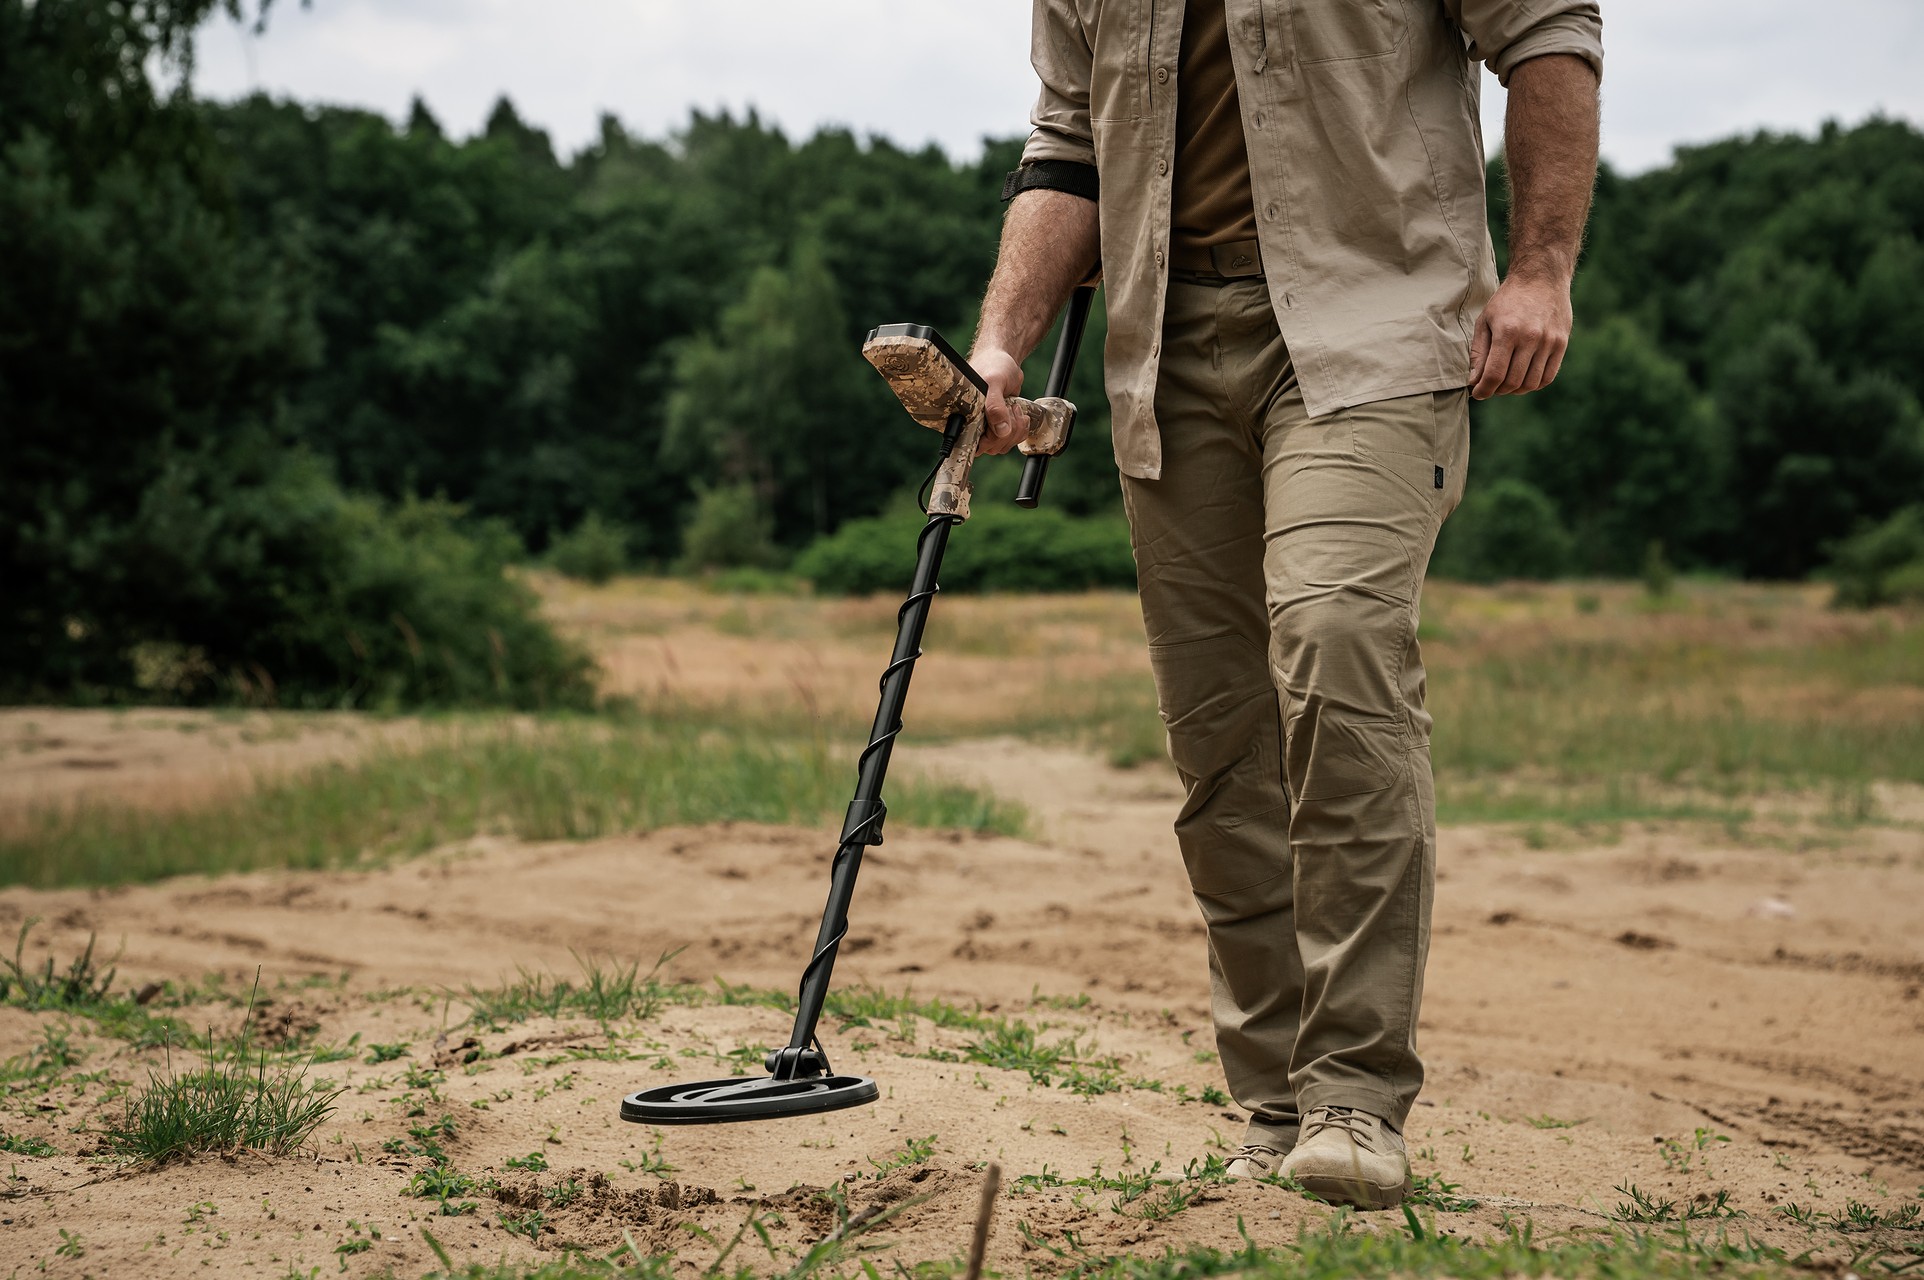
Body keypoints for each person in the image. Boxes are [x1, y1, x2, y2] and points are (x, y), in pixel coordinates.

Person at [967, 0, 1602, 1210]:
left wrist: (1540, 267)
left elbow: (1550, 35)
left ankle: (1356, 1093)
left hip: (1374, 326)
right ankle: (1273, 1097)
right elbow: (1066, 140)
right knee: (1219, 732)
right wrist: (1004, 341)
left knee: (1337, 642)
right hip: (1163, 344)